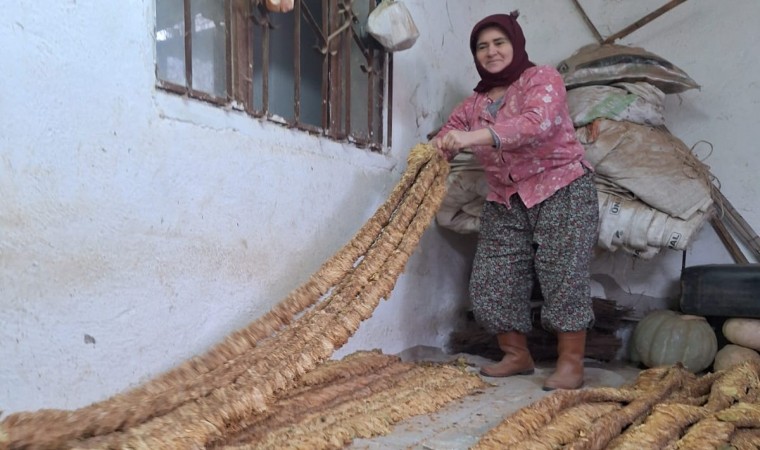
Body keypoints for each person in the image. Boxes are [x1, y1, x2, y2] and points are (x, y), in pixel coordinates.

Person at [433, 12, 598, 391]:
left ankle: (571, 364)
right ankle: (516, 355)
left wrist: (472, 139)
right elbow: (448, 135)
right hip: (505, 199)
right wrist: (432, 152)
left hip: (562, 188)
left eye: (499, 43)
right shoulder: (473, 104)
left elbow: (534, 123)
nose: (491, 52)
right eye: (482, 46)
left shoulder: (541, 79)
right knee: (492, 279)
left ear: (516, 44)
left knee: (564, 273)